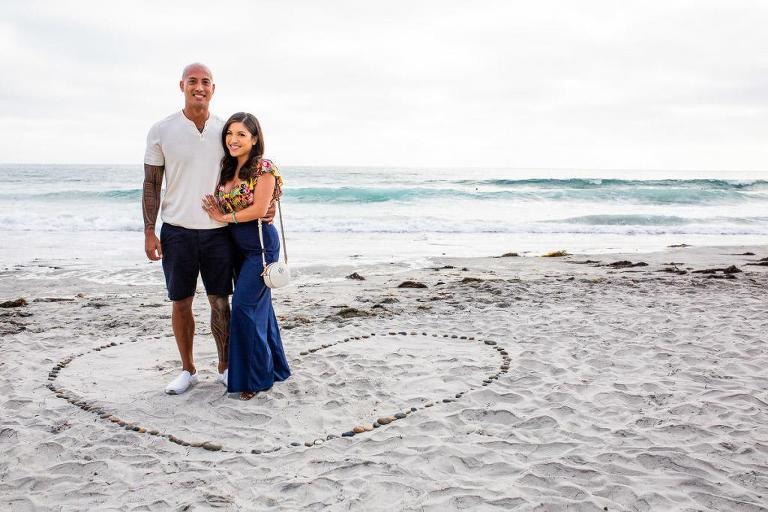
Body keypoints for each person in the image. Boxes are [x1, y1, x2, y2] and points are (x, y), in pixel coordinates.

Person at [142, 63, 274, 395]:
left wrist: (269, 205)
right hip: (176, 231)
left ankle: (225, 368)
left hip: (218, 233)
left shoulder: (224, 130)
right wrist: (149, 231)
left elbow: (251, 170)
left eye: (205, 82)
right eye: (192, 82)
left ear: (213, 88)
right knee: (181, 302)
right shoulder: (161, 129)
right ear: (181, 85)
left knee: (220, 302)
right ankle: (187, 370)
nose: (198, 87)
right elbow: (151, 185)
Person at [202, 112, 291, 400]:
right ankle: (275, 368)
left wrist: (222, 216)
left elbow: (258, 210)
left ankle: (255, 378)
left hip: (260, 247)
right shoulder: (226, 169)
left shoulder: (262, 168)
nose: (233, 139)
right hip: (235, 248)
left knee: (243, 308)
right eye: (229, 133)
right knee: (261, 311)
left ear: (254, 139)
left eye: (241, 134)